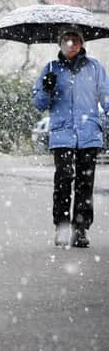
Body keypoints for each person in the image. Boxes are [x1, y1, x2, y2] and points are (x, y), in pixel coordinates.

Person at [32, 26, 109, 248]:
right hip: (62, 134)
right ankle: (62, 227)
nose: (71, 44)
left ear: (82, 44)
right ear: (60, 44)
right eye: (67, 40)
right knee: (63, 180)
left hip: (88, 133)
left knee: (85, 184)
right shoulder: (51, 69)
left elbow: (106, 97)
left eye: (75, 40)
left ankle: (81, 229)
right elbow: (39, 104)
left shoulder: (95, 68)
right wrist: (47, 88)